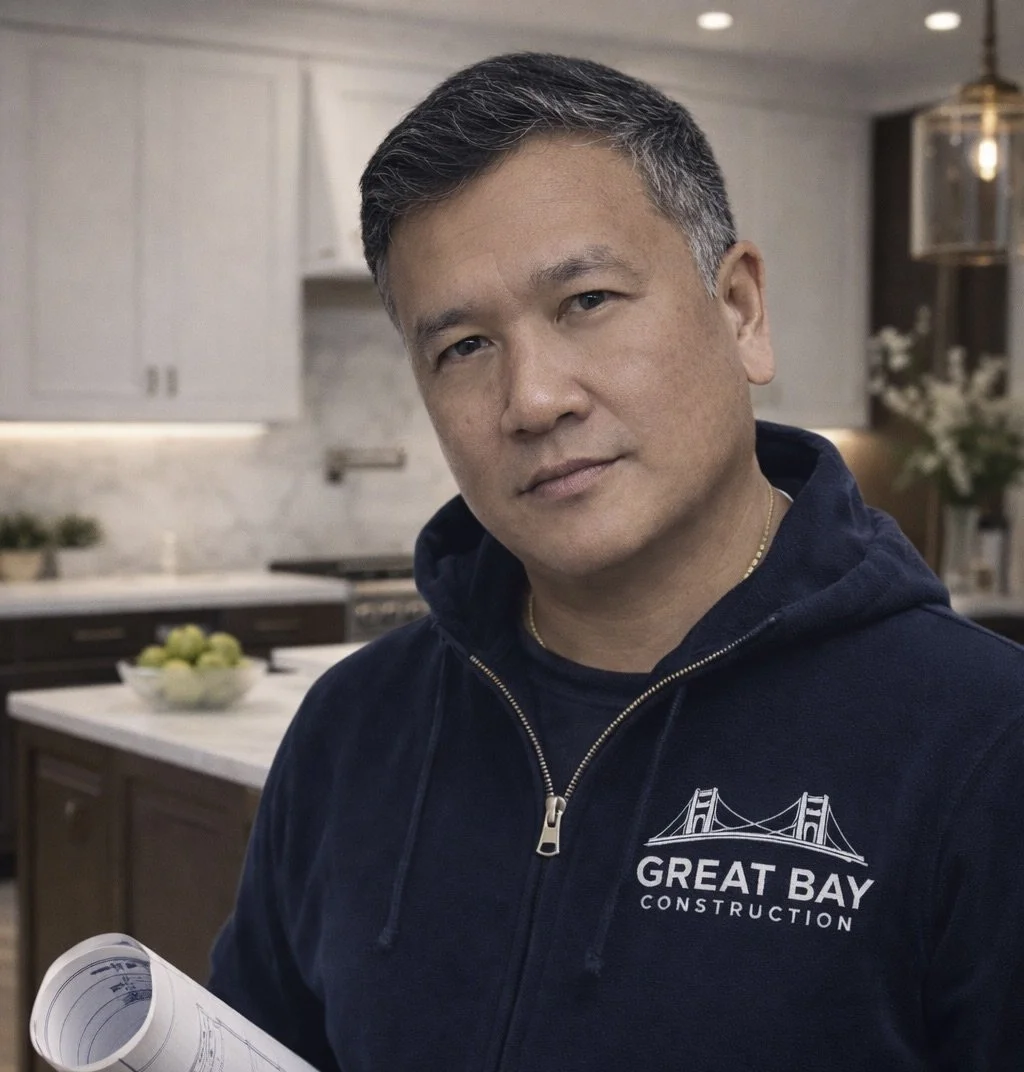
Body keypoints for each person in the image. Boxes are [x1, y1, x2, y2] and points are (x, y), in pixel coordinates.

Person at [208, 52, 1024, 1070]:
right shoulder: (351, 728)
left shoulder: (986, 741)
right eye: (462, 346)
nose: (533, 398)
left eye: (586, 300)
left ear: (740, 310)